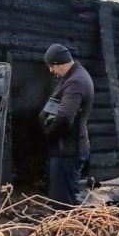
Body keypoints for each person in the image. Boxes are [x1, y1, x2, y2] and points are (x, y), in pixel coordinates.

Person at [39, 44, 94, 205]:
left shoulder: (76, 82)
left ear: (60, 63)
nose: (51, 71)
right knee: (63, 198)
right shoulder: (74, 77)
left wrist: (49, 136)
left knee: (63, 203)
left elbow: (64, 118)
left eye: (51, 66)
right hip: (67, 149)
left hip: (68, 151)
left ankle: (67, 229)